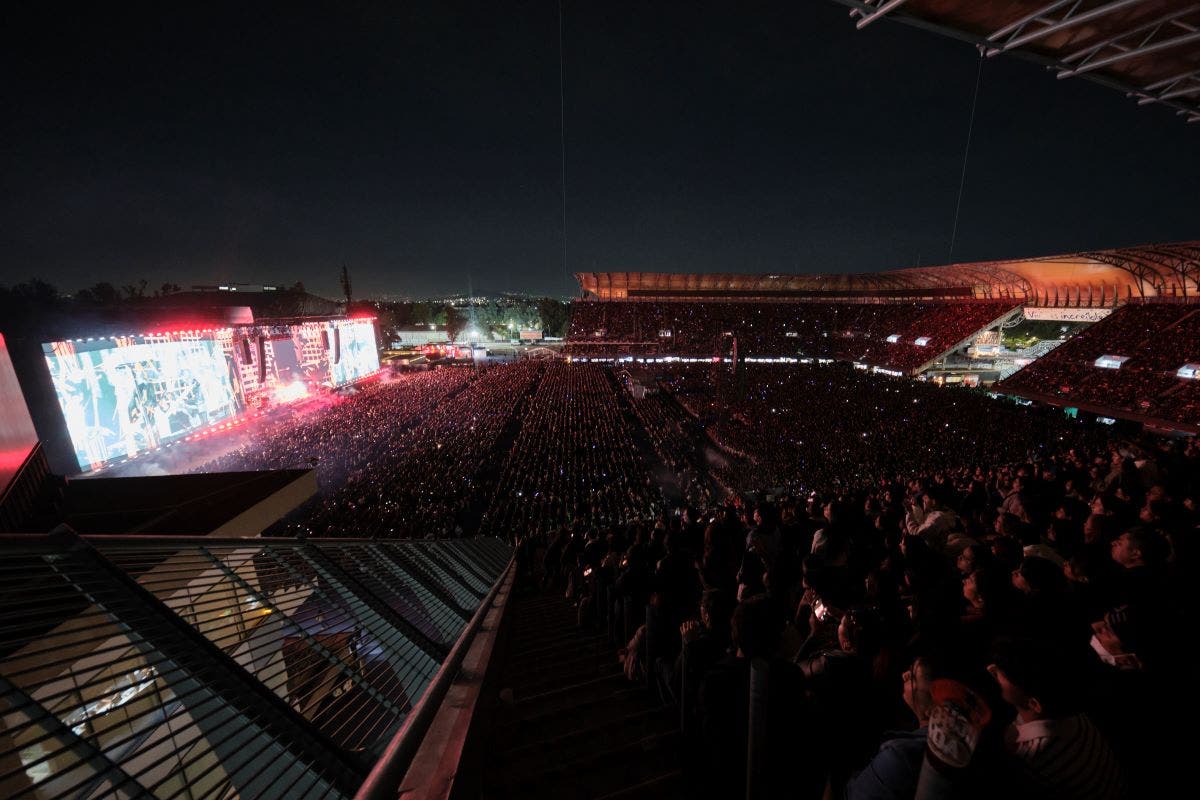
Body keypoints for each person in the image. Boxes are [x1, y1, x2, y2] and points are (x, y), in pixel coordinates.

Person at [987, 639, 1124, 800]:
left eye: (1001, 673)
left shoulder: (1030, 754)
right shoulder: (1073, 714)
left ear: (1034, 703)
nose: (990, 669)